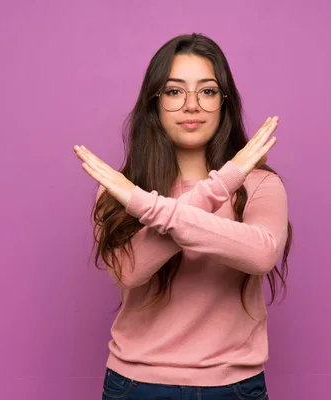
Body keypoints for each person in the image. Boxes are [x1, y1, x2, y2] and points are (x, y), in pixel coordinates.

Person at [73, 33, 292, 400]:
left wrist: (150, 206)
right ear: (154, 103)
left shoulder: (257, 184)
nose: (192, 105)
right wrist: (222, 182)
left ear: (225, 103)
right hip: (136, 387)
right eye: (174, 92)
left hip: (234, 388)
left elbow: (261, 255)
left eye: (207, 91)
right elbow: (130, 270)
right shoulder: (121, 189)